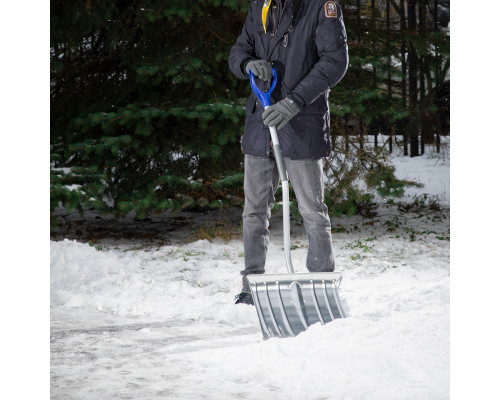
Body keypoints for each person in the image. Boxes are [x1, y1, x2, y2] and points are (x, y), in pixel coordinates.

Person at [228, 0, 348, 305]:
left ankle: (320, 284)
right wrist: (246, 64)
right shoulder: (261, 5)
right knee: (254, 211)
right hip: (261, 121)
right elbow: (238, 51)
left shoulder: (320, 6)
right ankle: (251, 285)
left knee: (312, 210)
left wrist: (295, 100)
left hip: (301, 123)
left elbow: (335, 61)